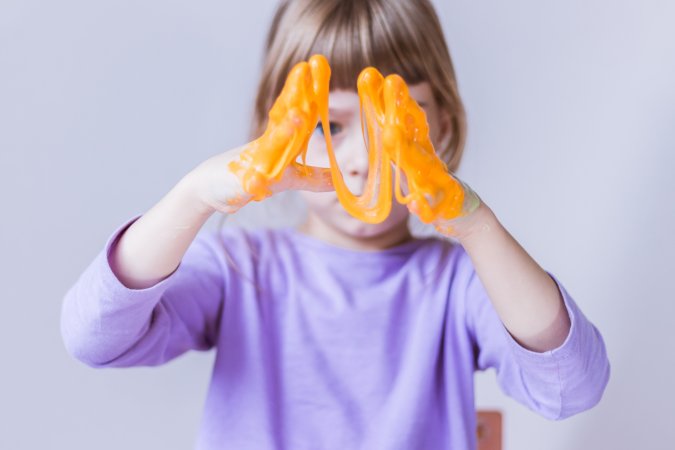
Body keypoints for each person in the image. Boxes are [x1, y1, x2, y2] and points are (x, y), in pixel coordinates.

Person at [61, 0, 610, 449]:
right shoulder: (238, 270)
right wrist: (192, 197)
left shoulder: (459, 284)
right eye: (330, 125)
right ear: (272, 127)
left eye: (399, 122)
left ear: (443, 124)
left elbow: (572, 387)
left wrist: (477, 225)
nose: (364, 161)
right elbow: (94, 337)